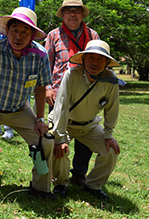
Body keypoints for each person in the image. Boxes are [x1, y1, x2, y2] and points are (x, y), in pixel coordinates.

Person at [0, 7, 54, 200]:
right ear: (7, 30)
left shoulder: (40, 55)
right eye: (14, 30)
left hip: (20, 109)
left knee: (45, 141)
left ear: (31, 35)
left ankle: (41, 188)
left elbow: (40, 88)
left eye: (25, 32)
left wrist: (40, 119)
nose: (18, 36)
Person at [49, 40, 123, 200]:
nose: (95, 63)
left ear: (106, 63)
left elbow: (112, 109)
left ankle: (93, 185)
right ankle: (60, 184)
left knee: (111, 151)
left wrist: (108, 135)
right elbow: (61, 106)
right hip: (65, 123)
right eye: (91, 58)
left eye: (100, 59)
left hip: (89, 125)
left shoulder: (111, 80)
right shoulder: (71, 75)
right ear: (83, 59)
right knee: (58, 149)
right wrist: (60, 137)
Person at [45, 0, 100, 187]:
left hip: (87, 93)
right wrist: (47, 88)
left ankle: (79, 173)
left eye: (77, 10)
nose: (73, 14)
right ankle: (57, 172)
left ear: (82, 14)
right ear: (63, 14)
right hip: (58, 95)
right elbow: (47, 65)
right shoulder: (53, 35)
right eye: (69, 10)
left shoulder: (93, 36)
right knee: (55, 134)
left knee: (85, 135)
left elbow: (99, 64)